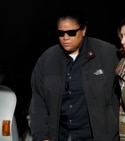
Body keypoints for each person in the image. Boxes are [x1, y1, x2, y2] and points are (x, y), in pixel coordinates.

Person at [29, 9, 120, 141]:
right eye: (61, 33)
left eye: (71, 33)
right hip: (61, 136)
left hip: (99, 136)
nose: (65, 38)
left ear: (83, 30)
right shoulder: (47, 60)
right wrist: (41, 136)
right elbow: (38, 103)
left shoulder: (106, 54)